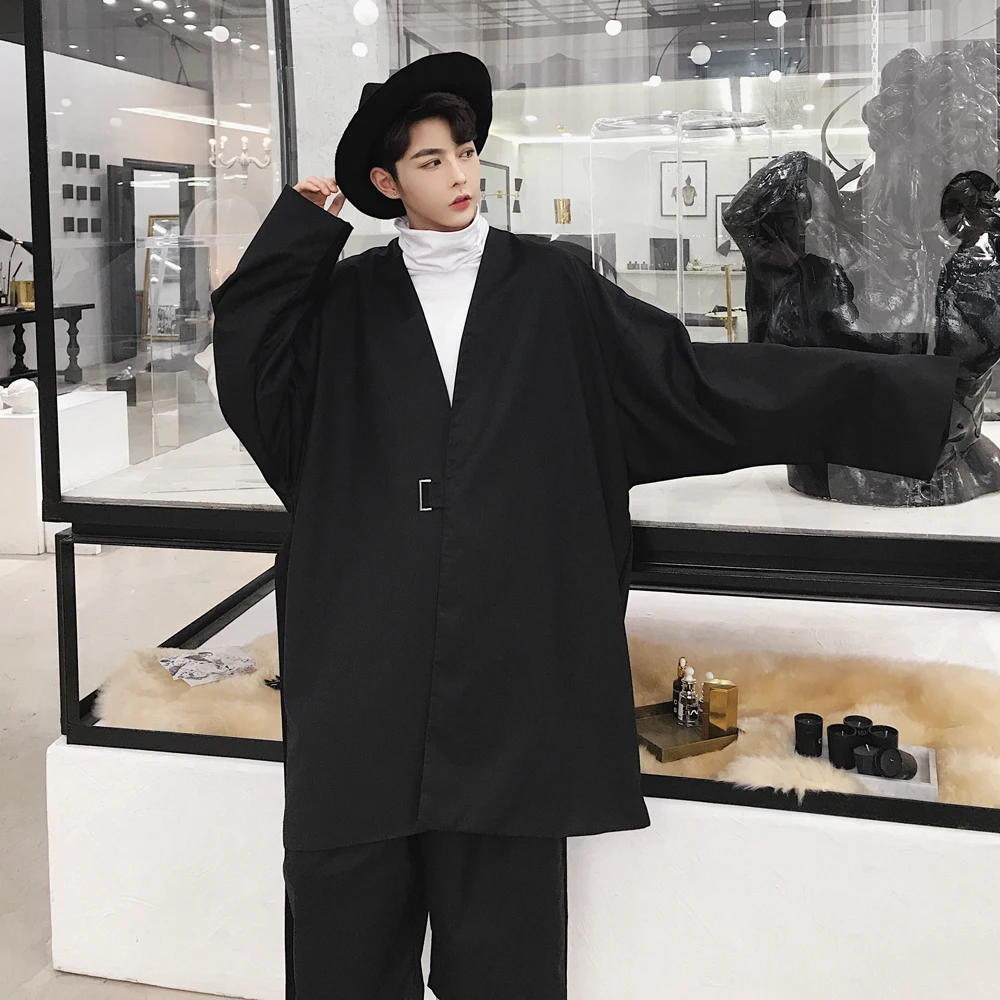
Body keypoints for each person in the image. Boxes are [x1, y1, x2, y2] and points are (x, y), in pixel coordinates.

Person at [210, 51, 958, 1000]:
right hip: (364, 649)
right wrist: (298, 235)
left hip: (507, 649)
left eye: (466, 152)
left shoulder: (550, 286)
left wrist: (889, 394)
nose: (460, 176)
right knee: (345, 919)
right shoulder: (347, 303)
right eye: (432, 161)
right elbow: (256, 382)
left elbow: (685, 382)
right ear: (387, 183)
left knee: (505, 939)